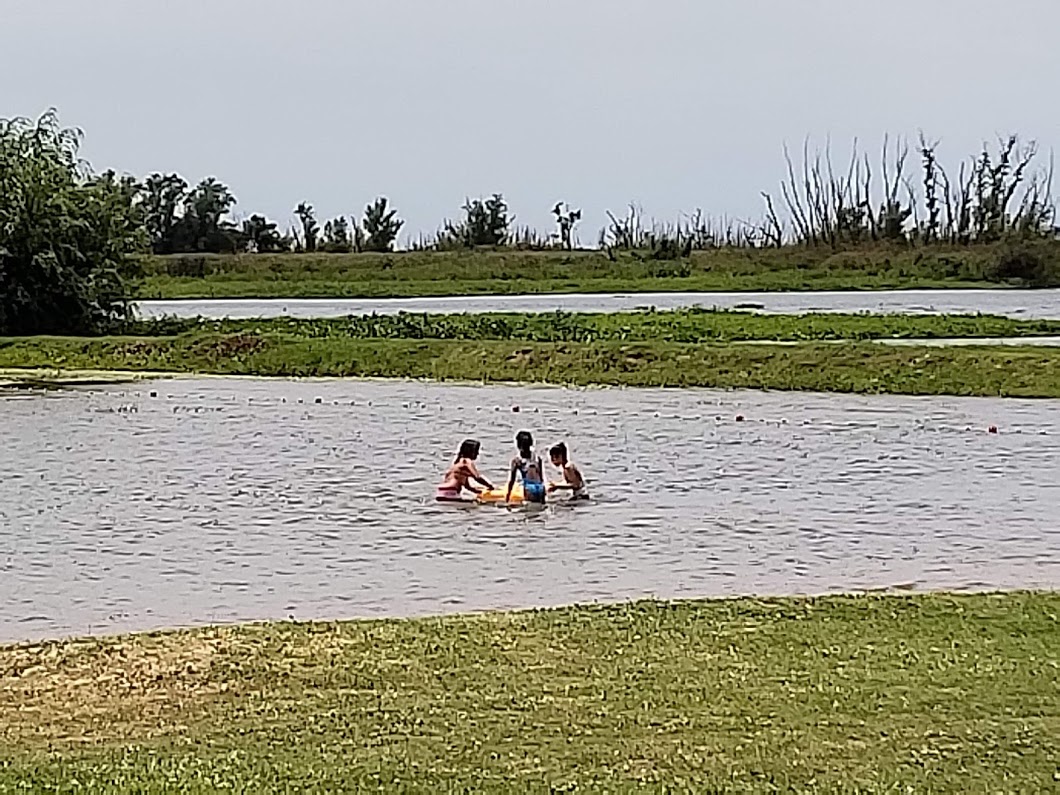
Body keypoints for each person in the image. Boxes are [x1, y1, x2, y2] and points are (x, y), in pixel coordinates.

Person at [507, 430, 546, 505]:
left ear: (518, 445)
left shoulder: (517, 461)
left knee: (529, 512)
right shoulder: (538, 458)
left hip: (529, 488)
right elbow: (541, 477)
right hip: (540, 487)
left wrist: (508, 497)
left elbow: (512, 480)